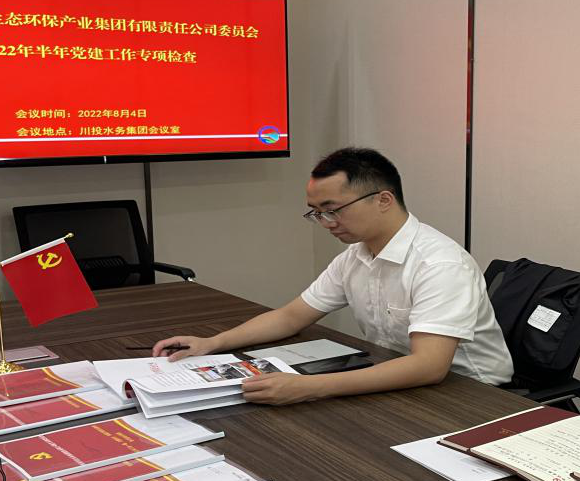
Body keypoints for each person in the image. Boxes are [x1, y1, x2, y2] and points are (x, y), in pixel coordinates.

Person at [153, 147, 513, 404]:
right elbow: (291, 317)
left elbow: (429, 366)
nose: (326, 223)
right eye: (316, 213)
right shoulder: (356, 255)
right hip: (395, 378)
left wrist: (310, 387)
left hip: (472, 394)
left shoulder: (440, 264)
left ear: (383, 200)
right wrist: (212, 344)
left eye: (332, 210)